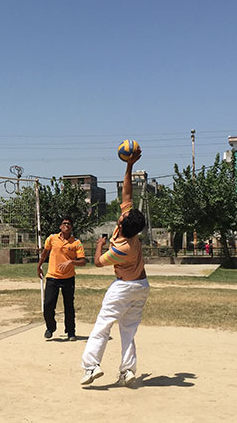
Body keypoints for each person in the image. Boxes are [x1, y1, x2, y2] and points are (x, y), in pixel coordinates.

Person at [80, 147, 149, 387]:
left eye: (123, 214)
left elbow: (98, 263)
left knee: (103, 323)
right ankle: (128, 371)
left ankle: (91, 366)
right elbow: (128, 192)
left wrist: (98, 245)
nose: (123, 211)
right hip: (142, 285)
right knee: (128, 329)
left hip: (125, 286)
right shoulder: (130, 230)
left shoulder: (121, 247)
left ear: (123, 222)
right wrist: (129, 166)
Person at [37, 216, 86, 340]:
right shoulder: (52, 239)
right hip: (52, 277)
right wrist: (39, 266)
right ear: (60, 226)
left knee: (69, 306)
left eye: (69, 224)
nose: (66, 225)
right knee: (48, 305)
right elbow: (45, 253)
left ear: (72, 227)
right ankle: (50, 327)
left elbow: (83, 261)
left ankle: (71, 331)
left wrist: (71, 262)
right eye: (64, 223)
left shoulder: (76, 242)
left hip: (68, 278)